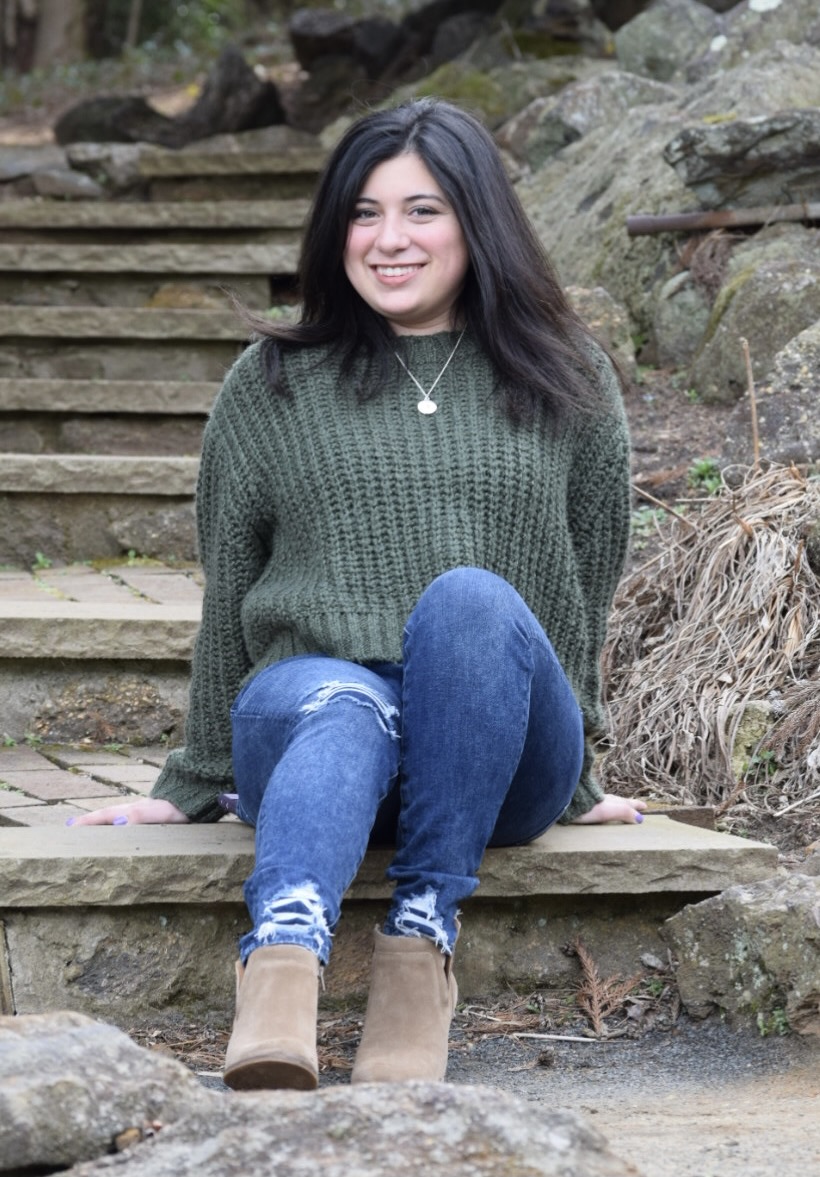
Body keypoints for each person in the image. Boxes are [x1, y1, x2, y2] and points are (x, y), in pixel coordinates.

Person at [69, 97, 645, 1090]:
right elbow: (231, 592)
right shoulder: (273, 383)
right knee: (344, 699)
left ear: (477, 221)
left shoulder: (567, 378)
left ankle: (421, 944)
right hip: (311, 733)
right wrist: (188, 782)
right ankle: (280, 966)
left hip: (495, 751)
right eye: (362, 213)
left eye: (421, 212)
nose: (387, 240)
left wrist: (579, 763)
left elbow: (582, 590)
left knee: (469, 600)